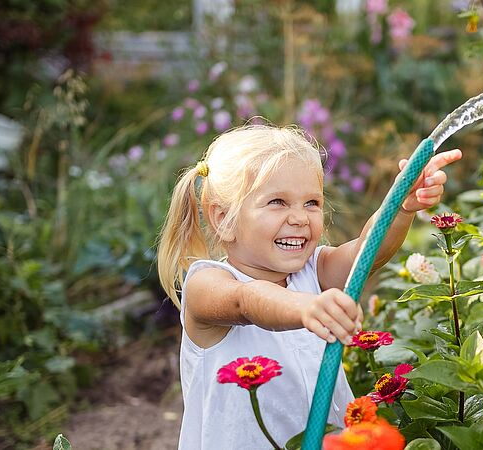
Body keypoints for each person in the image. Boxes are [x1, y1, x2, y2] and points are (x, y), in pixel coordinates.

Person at [156, 123, 461, 449]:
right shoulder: (207, 282)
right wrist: (303, 306)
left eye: (311, 203)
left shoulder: (313, 270)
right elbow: (245, 300)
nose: (299, 218)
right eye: (277, 202)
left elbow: (366, 253)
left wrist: (399, 207)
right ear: (223, 218)